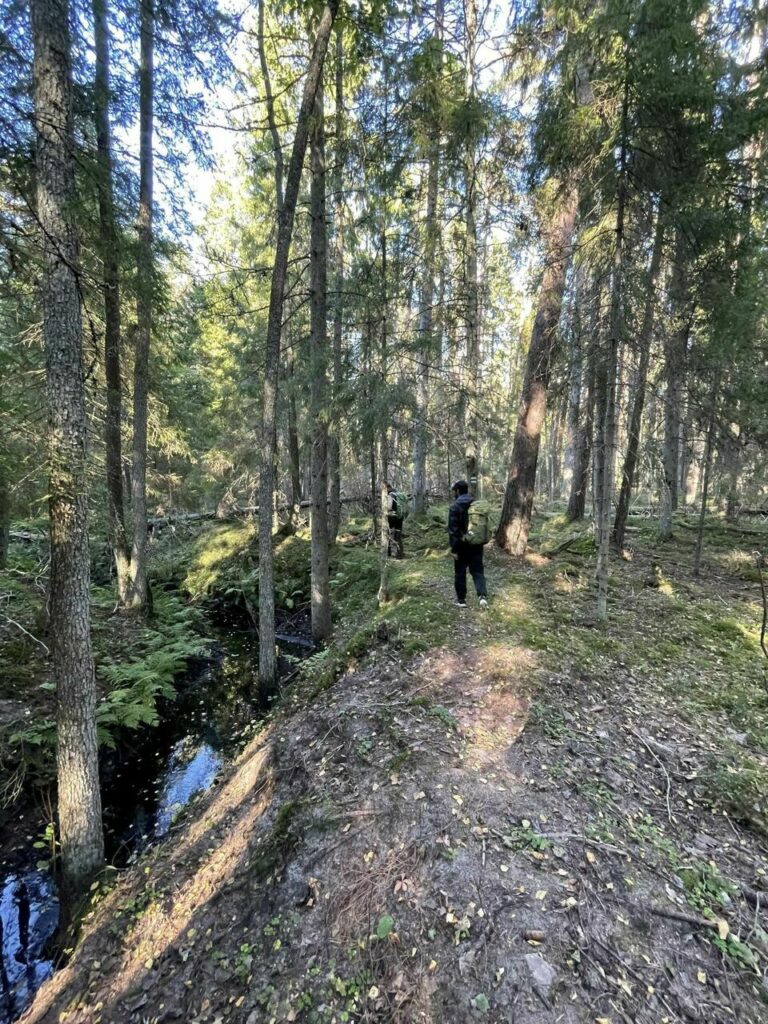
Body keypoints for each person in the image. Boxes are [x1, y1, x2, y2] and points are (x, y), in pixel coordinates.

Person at [448, 480, 488, 608]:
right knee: (477, 571)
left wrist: (454, 549)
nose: (454, 493)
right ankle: (482, 596)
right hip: (476, 544)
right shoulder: (475, 504)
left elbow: (453, 530)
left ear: (458, 491)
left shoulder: (455, 507)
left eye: (454, 491)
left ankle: (461, 600)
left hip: (461, 545)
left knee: (460, 572)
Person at [386, 483, 405, 559]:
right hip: (400, 517)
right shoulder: (398, 493)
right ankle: (400, 554)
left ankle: (388, 552)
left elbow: (389, 507)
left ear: (386, 488)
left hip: (392, 517)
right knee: (398, 535)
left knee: (388, 534)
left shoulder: (390, 495)